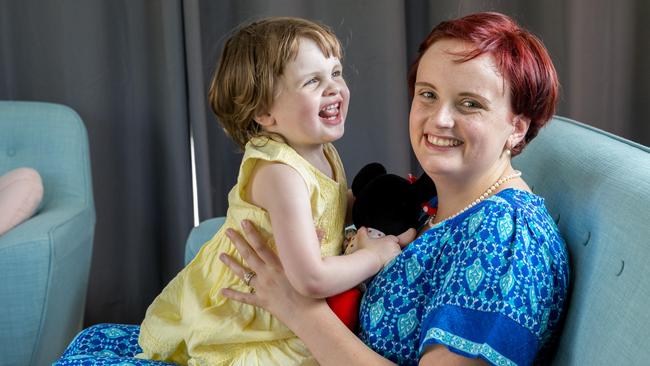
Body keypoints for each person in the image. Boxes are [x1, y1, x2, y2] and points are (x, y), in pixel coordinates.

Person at [219, 12, 570, 366]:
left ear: (517, 128)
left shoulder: (506, 237)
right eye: (428, 94)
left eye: (470, 103)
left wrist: (299, 311)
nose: (439, 119)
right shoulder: (430, 201)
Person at [136, 17, 401, 365]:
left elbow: (328, 207)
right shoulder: (279, 173)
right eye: (312, 81)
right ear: (264, 112)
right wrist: (375, 256)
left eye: (335, 73)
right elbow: (310, 279)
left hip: (288, 308)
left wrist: (376, 206)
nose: (334, 88)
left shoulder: (320, 149)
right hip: (246, 321)